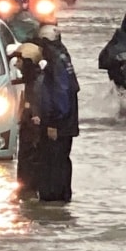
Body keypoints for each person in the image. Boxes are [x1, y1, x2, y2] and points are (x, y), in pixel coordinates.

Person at [30, 26, 79, 202]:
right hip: (66, 123)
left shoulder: (56, 63)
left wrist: (53, 123)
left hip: (59, 124)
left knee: (53, 162)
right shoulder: (63, 58)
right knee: (61, 161)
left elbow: (60, 94)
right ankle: (61, 198)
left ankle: (53, 198)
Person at [10, 42, 46, 197]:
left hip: (32, 130)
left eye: (19, 61)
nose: (16, 64)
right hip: (27, 128)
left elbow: (36, 107)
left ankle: (28, 191)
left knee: (29, 159)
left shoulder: (37, 82)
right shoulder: (29, 80)